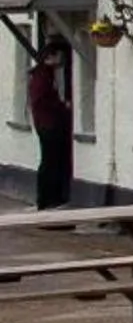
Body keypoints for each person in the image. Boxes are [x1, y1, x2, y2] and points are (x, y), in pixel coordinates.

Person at [26, 32, 73, 209]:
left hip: (49, 123)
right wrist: (62, 106)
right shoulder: (42, 75)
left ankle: (51, 197)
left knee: (53, 160)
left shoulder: (47, 74)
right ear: (49, 57)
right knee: (49, 161)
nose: (61, 61)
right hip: (48, 124)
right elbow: (40, 100)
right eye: (59, 56)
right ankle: (47, 199)